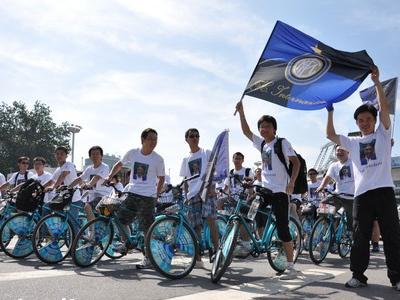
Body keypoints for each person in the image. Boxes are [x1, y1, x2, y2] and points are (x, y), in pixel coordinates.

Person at [326, 66, 400, 290]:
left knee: (392, 236)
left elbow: (384, 108)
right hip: (362, 195)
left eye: (368, 118)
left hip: (385, 191)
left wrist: (377, 83)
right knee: (359, 237)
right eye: (360, 120)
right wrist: (329, 111)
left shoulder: (384, 133)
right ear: (357, 123)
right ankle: (358, 275)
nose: (364, 122)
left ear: (375, 120)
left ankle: (396, 278)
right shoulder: (353, 142)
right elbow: (330, 135)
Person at [236, 101, 300, 280]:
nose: (263, 130)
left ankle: (291, 266)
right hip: (264, 190)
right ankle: (248, 243)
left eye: (267, 127)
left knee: (282, 228)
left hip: (280, 191)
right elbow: (247, 132)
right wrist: (242, 112)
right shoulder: (262, 144)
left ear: (274, 129)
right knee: (247, 210)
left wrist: (291, 183)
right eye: (261, 127)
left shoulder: (282, 143)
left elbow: (296, 163)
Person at [106, 128, 165, 269]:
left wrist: (156, 194)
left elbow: (161, 178)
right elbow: (119, 164)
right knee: (120, 219)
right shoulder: (133, 153)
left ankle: (148, 258)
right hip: (132, 193)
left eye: (155, 139)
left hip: (148, 196)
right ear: (143, 139)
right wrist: (109, 177)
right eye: (150, 139)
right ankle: (128, 243)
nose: (153, 142)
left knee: (147, 228)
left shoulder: (158, 159)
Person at [180, 128, 220, 267]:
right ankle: (197, 258)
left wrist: (213, 188)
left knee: (211, 219)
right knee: (195, 226)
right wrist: (185, 196)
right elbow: (185, 179)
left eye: (197, 135)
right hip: (192, 194)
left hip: (206, 191)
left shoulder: (206, 153)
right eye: (191, 136)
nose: (195, 138)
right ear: (186, 139)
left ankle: (217, 250)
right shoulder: (186, 159)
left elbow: (215, 170)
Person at [316, 146, 355, 232]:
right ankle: (329, 229)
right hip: (338, 196)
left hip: (351, 197)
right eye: (337, 151)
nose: (339, 152)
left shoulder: (354, 163)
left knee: (352, 225)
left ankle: (353, 241)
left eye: (342, 150)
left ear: (348, 152)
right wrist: (322, 186)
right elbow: (328, 176)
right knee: (323, 206)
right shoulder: (334, 165)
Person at [44, 146, 81, 232]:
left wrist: (53, 187)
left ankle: (76, 243)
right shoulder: (57, 169)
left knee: (72, 223)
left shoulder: (69, 165)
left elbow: (63, 175)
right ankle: (51, 236)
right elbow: (51, 181)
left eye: (62, 154)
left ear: (66, 156)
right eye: (57, 154)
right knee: (47, 208)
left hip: (74, 197)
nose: (59, 156)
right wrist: (40, 188)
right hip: (63, 197)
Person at [223, 152, 254, 256]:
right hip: (233, 201)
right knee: (233, 222)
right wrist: (222, 193)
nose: (237, 160)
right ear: (233, 159)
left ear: (243, 160)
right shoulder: (231, 172)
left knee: (244, 223)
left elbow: (251, 185)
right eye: (235, 158)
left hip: (245, 200)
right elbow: (227, 188)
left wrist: (249, 197)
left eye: (239, 158)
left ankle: (246, 244)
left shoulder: (247, 171)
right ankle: (233, 243)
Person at [69, 146, 111, 222]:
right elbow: (79, 178)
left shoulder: (105, 167)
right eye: (93, 154)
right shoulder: (89, 169)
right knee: (91, 210)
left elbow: (96, 178)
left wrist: (89, 185)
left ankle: (92, 231)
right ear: (90, 157)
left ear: (101, 156)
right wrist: (68, 187)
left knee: (90, 208)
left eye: (97, 154)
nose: (95, 156)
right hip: (92, 196)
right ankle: (93, 230)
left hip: (102, 195)